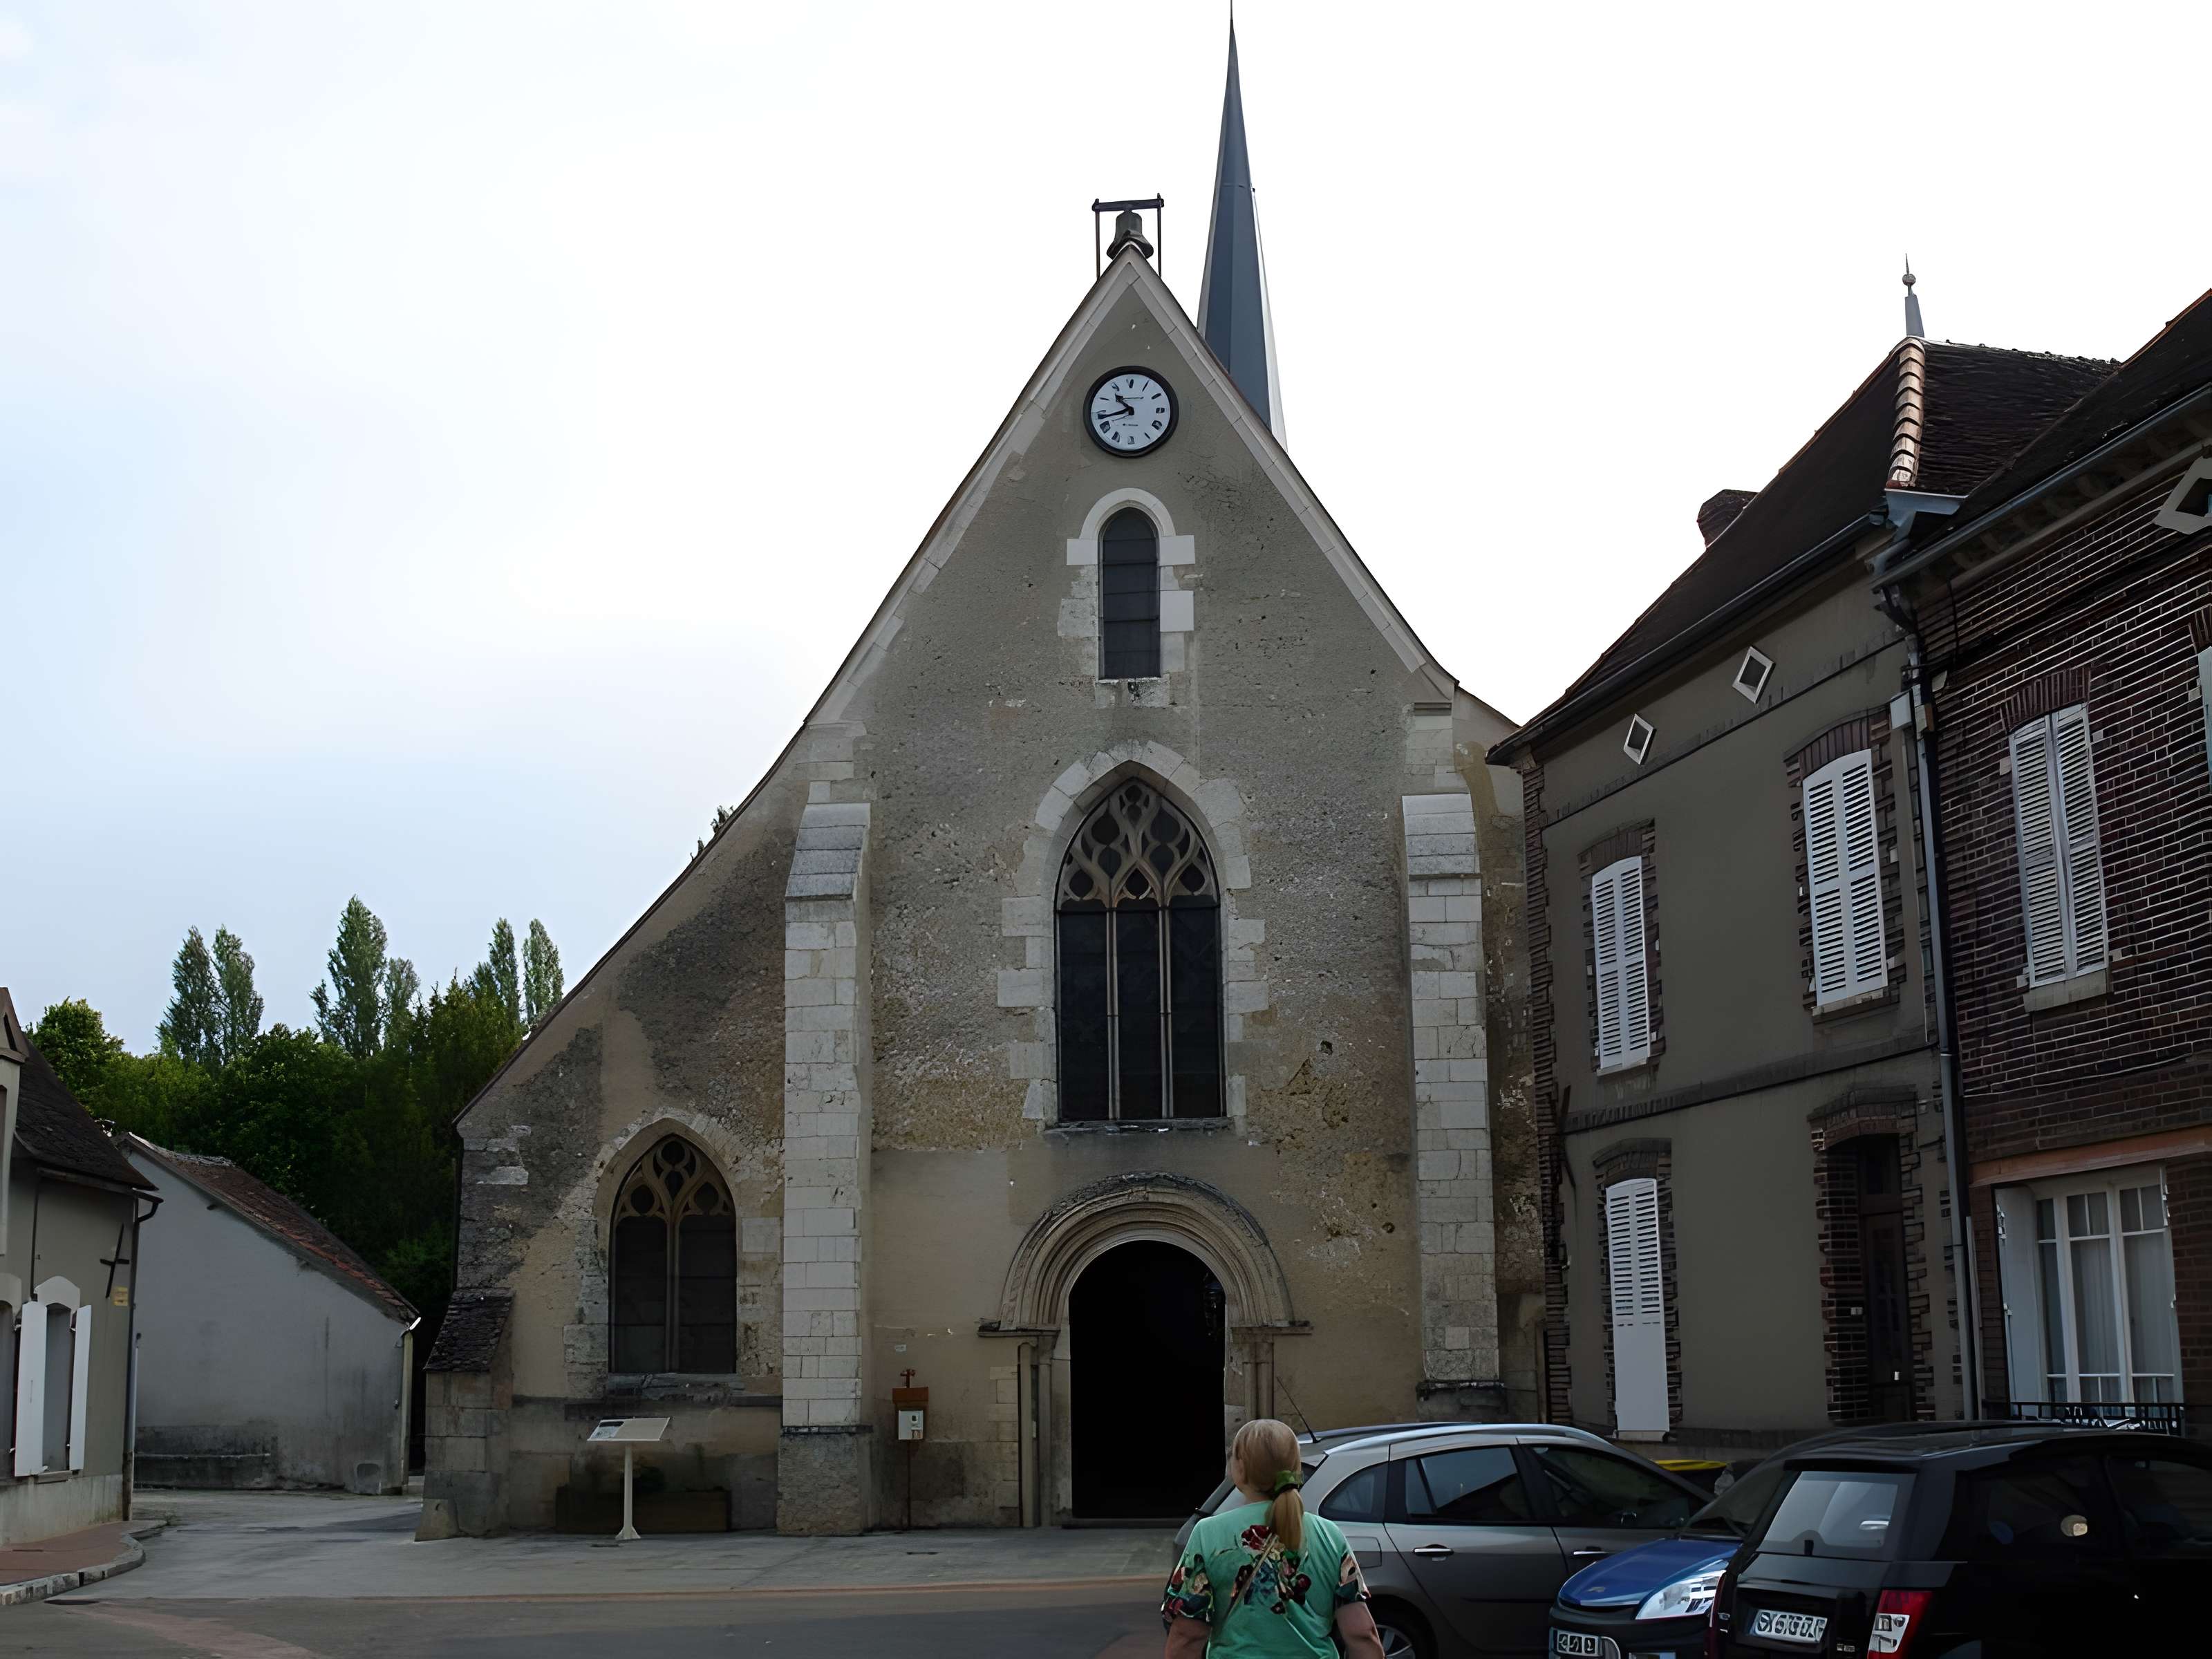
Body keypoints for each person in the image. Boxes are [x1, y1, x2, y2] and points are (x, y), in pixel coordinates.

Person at [1161, 1418, 1387, 1658]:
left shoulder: (1208, 1534)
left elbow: (1188, 1637)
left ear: (1240, 1469)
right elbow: (1363, 1635)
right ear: (1296, 1468)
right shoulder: (1329, 1535)